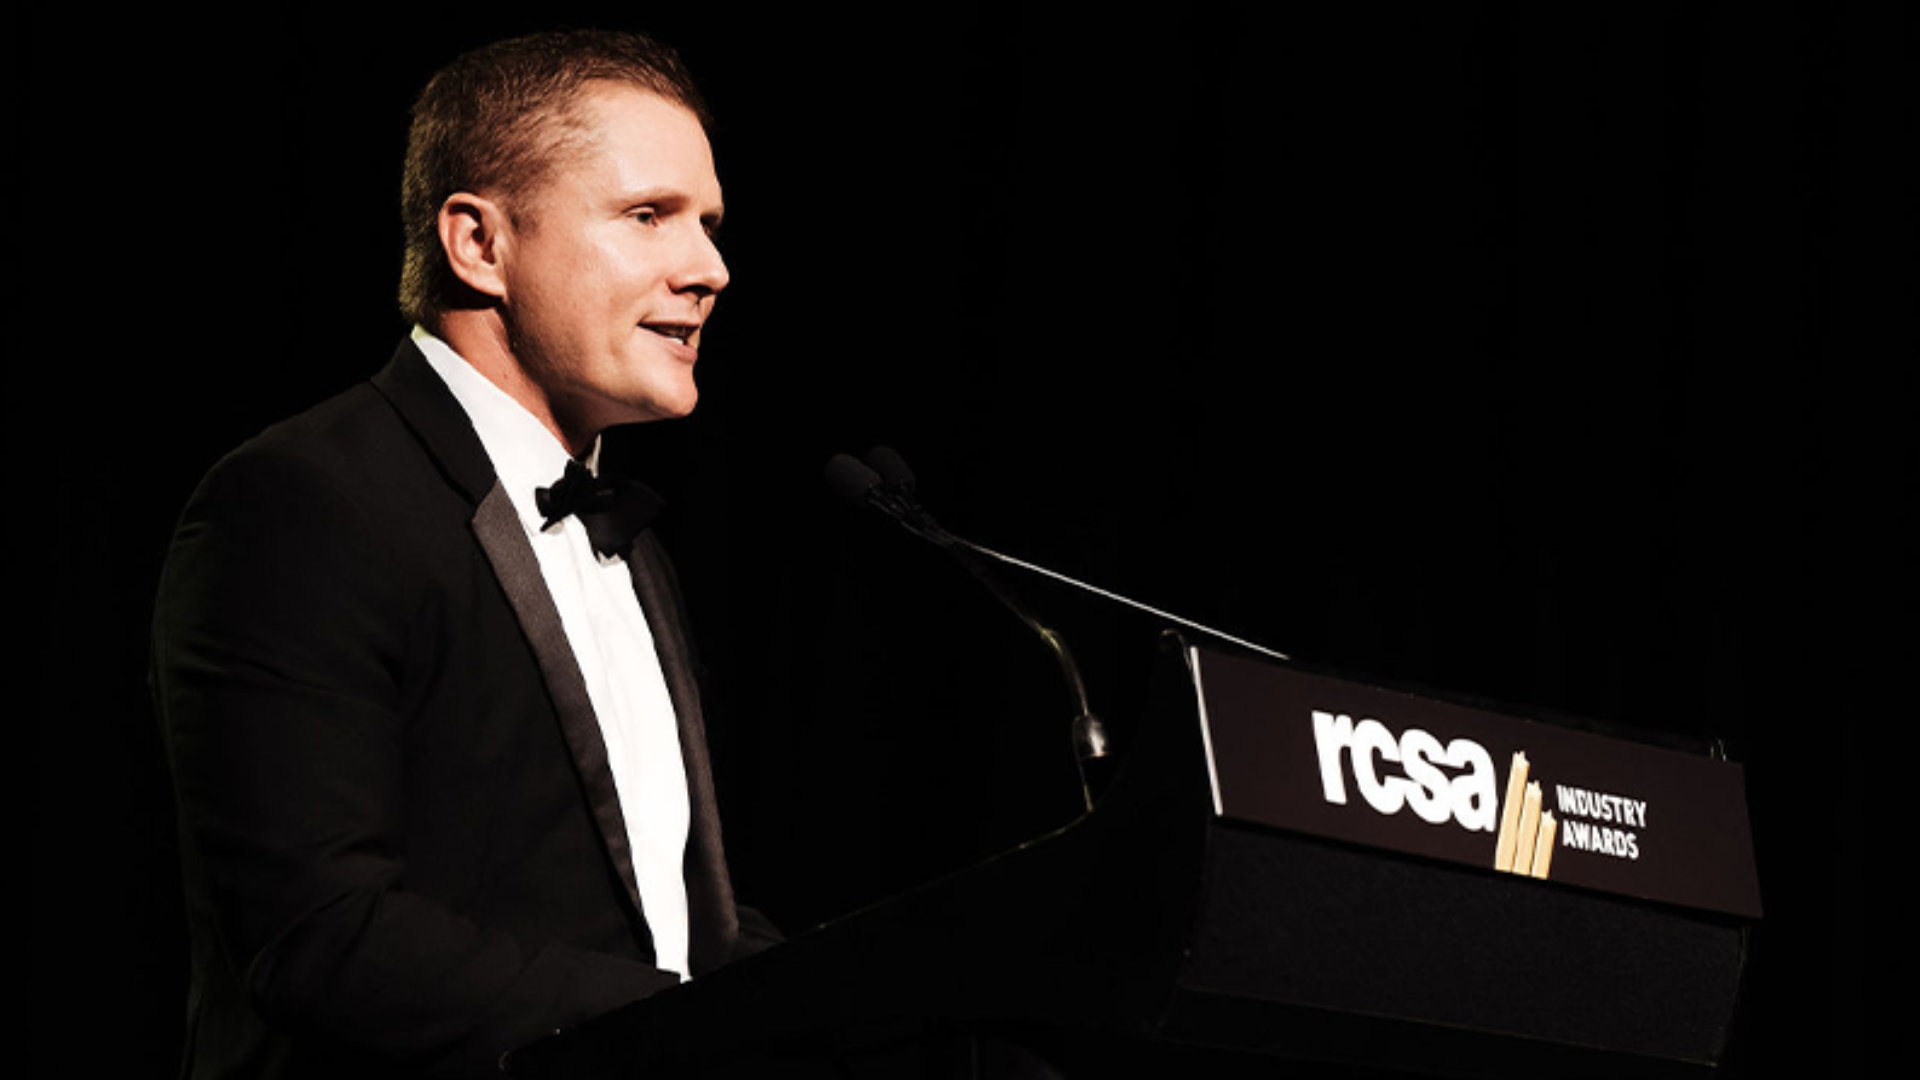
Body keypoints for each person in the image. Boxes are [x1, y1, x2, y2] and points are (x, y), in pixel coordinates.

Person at [150, 29, 778, 1079]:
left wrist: (849, 1010)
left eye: (708, 225)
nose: (710, 269)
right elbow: (321, 936)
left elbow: (671, 925)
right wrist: (693, 1029)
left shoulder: (632, 543)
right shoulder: (301, 503)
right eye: (648, 215)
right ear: (479, 243)